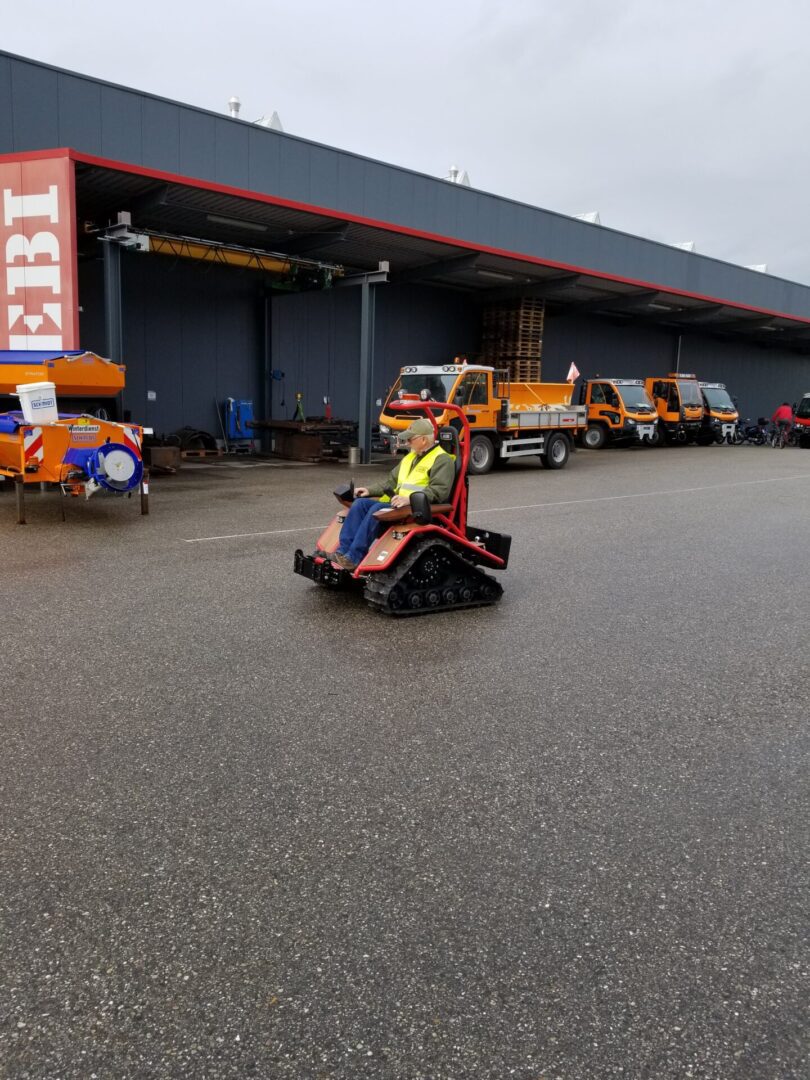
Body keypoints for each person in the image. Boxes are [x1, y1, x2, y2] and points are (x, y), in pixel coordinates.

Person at [331, 417, 455, 571]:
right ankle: (343, 552)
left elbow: (439, 491)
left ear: (423, 439)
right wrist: (369, 490)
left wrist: (408, 499)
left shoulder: (442, 460)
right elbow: (391, 482)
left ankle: (354, 558)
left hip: (417, 508)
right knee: (360, 503)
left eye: (410, 439)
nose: (407, 442)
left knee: (376, 508)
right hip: (400, 504)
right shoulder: (410, 458)